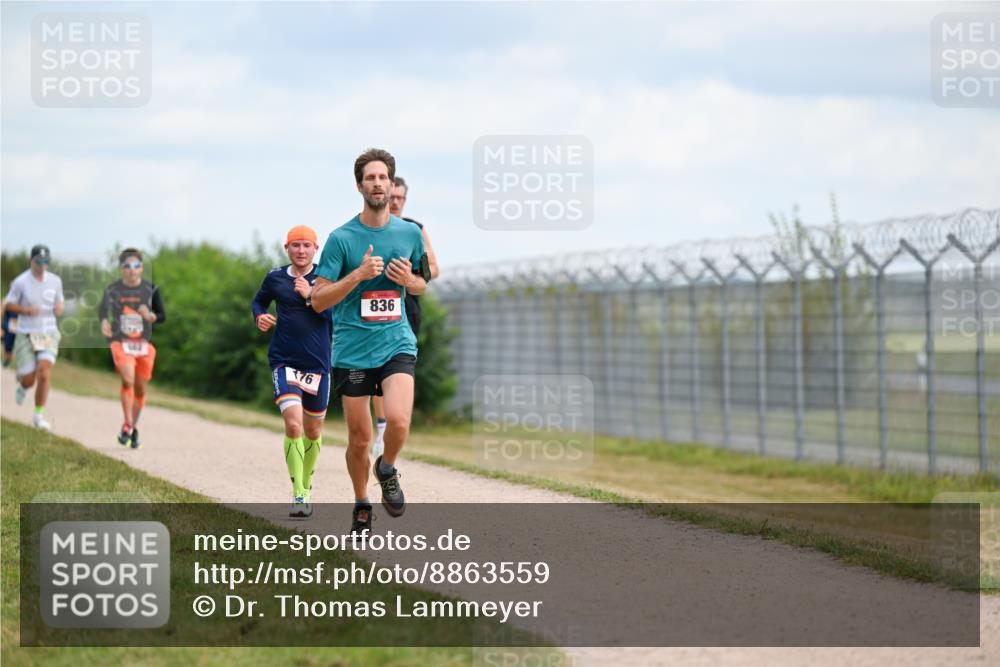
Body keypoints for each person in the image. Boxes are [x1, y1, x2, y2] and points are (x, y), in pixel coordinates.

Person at [310, 148, 429, 534]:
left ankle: (388, 467)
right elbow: (318, 299)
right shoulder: (341, 239)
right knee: (359, 439)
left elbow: (422, 283)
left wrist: (408, 282)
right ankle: (362, 501)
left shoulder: (410, 233)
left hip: (396, 340)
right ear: (360, 185)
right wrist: (358, 276)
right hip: (353, 350)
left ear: (391, 184)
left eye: (384, 178)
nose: (378, 184)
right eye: (371, 178)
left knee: (397, 419)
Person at [253, 225, 333, 518]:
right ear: (287, 248)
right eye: (295, 245)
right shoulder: (275, 277)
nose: (301, 250)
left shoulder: (326, 279)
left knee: (313, 431)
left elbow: (336, 313)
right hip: (284, 361)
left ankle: (307, 481)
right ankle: (299, 493)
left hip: (318, 365)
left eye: (306, 245)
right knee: (294, 425)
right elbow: (258, 300)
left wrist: (311, 295)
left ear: (316, 249)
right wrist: (259, 315)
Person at [371, 176, 440, 459]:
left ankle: (393, 427)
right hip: (372, 307)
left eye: (400, 197)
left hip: (406, 308)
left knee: (397, 367)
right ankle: (382, 428)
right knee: (375, 367)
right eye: (393, 196)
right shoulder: (369, 227)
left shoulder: (414, 230)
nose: (395, 201)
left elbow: (434, 268)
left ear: (404, 200)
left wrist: (412, 276)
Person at [99, 248, 166, 449]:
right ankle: (127, 423)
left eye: (136, 266)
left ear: (141, 268)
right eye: (127, 266)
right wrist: (103, 321)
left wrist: (152, 316)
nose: (132, 270)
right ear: (122, 269)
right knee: (127, 380)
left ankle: (132, 428)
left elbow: (162, 316)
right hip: (121, 341)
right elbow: (102, 309)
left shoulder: (151, 289)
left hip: (143, 345)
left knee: (140, 389)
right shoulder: (113, 290)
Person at [4, 244, 65, 430]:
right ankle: (23, 384)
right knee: (29, 380)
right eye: (38, 262)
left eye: (46, 262)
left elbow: (60, 302)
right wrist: (25, 310)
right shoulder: (20, 282)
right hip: (25, 333)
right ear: (31, 261)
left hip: (48, 332)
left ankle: (38, 417)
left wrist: (59, 309)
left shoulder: (55, 281)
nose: (42, 266)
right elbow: (8, 304)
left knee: (44, 372)